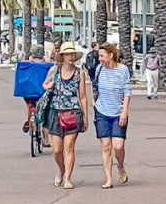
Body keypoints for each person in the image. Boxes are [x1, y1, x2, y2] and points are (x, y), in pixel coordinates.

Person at [41, 42, 89, 191]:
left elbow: (82, 96)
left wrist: (85, 116)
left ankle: (68, 177)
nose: (70, 56)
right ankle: (61, 170)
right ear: (62, 56)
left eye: (72, 54)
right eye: (67, 54)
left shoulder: (79, 72)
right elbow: (45, 83)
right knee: (57, 149)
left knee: (69, 146)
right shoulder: (54, 70)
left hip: (73, 112)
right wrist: (47, 86)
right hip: (55, 111)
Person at [91, 43, 132, 190]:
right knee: (106, 146)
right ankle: (108, 178)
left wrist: (125, 111)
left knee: (118, 145)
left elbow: (127, 91)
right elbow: (94, 85)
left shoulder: (122, 70)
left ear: (111, 55)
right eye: (99, 56)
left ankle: (120, 166)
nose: (99, 59)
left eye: (102, 56)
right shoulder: (99, 69)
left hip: (118, 112)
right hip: (102, 111)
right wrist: (93, 101)